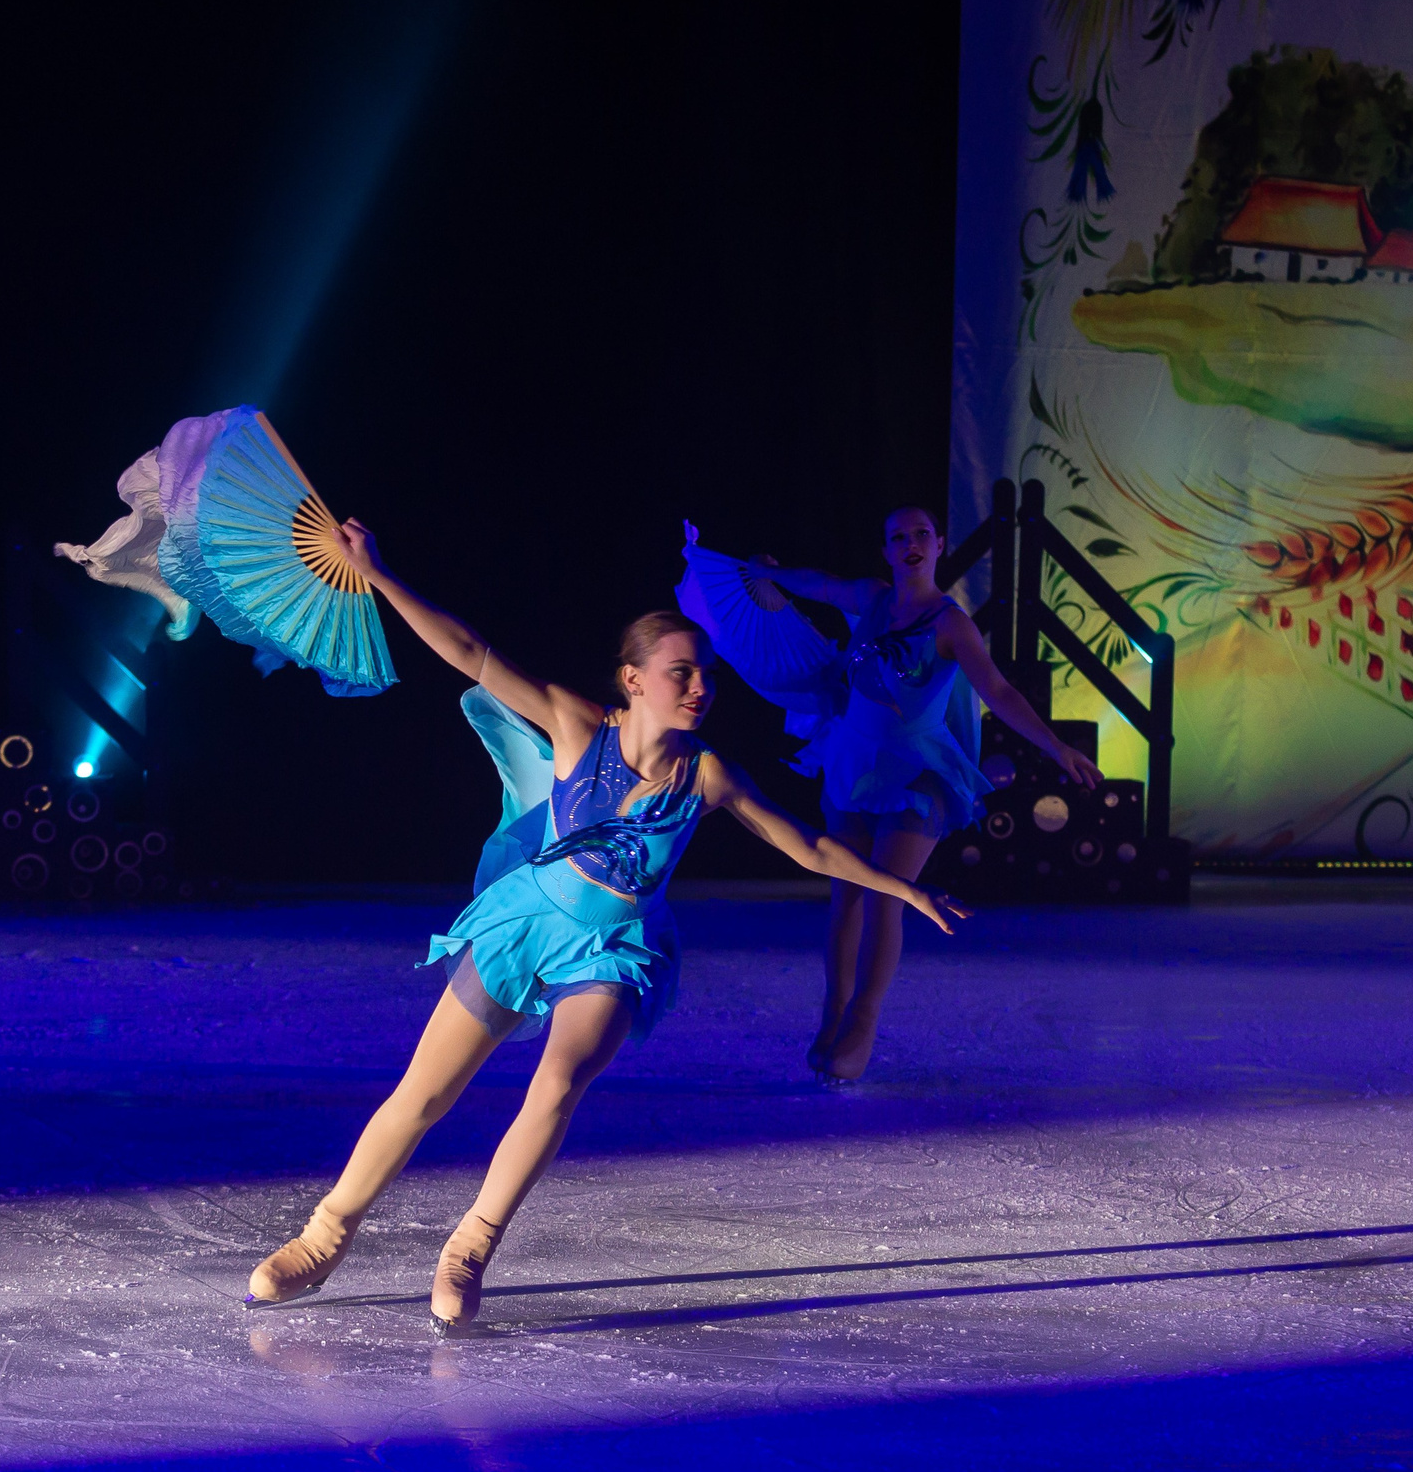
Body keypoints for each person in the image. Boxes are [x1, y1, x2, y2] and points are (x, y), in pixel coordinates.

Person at [246, 519, 969, 1332]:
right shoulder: (576, 726)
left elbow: (809, 845)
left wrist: (904, 890)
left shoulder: (707, 774)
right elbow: (468, 651)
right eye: (681, 672)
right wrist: (377, 573)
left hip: (615, 949)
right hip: (529, 924)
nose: (700, 687)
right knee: (426, 1090)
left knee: (558, 1083)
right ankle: (326, 1232)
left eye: (707, 674)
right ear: (633, 679)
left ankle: (470, 1247)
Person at [682, 506, 1099, 1083]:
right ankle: (833, 1013)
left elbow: (998, 690)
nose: (910, 544)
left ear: (939, 544)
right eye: (898, 537)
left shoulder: (950, 624)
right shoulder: (874, 598)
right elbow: (820, 584)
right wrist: (769, 574)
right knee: (847, 897)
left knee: (886, 896)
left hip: (916, 771)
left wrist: (1055, 745)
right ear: (886, 550)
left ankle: (863, 1021)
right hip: (854, 764)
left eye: (921, 534)